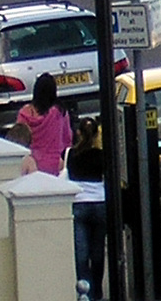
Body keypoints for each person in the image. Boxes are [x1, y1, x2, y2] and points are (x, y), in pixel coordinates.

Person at [62, 117, 106, 301]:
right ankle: (97, 291)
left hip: (78, 203)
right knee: (97, 251)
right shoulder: (101, 155)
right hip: (99, 203)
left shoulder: (70, 154)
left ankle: (84, 292)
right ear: (97, 134)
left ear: (77, 133)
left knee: (81, 252)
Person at [16, 73, 73, 176]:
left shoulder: (24, 113)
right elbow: (67, 139)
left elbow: (18, 139)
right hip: (55, 166)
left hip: (31, 166)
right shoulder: (59, 112)